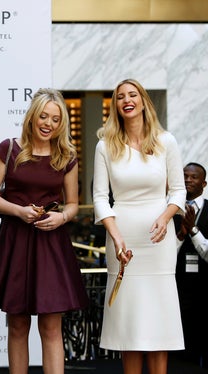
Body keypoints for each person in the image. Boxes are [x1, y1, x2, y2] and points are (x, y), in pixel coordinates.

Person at [0, 88, 88, 374]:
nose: (48, 124)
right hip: (15, 241)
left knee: (51, 324)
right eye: (43, 116)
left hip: (51, 243)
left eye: (55, 119)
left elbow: (73, 205)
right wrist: (19, 211)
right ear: (32, 116)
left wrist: (61, 218)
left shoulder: (66, 155)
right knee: (17, 323)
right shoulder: (8, 148)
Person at [93, 78, 185, 374]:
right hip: (122, 240)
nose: (127, 100)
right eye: (120, 97)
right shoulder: (105, 146)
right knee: (129, 322)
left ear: (143, 101)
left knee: (159, 319)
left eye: (133, 95)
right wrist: (116, 236)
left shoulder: (165, 141)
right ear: (116, 106)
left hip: (158, 241)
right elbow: (99, 197)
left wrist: (166, 215)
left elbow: (179, 190)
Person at [173, 162, 208, 367]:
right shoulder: (171, 212)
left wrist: (193, 231)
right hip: (178, 288)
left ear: (203, 183)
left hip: (205, 289)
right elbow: (164, 254)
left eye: (193, 177)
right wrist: (181, 235)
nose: (187, 180)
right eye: (184, 176)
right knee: (181, 351)